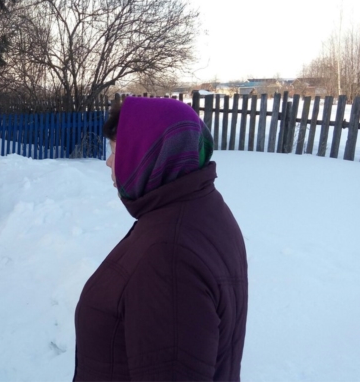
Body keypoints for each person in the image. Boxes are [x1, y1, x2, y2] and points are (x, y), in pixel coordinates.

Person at [73, 97, 248, 381]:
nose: (107, 162)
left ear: (148, 157)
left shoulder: (170, 256)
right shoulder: (200, 208)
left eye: (116, 150)